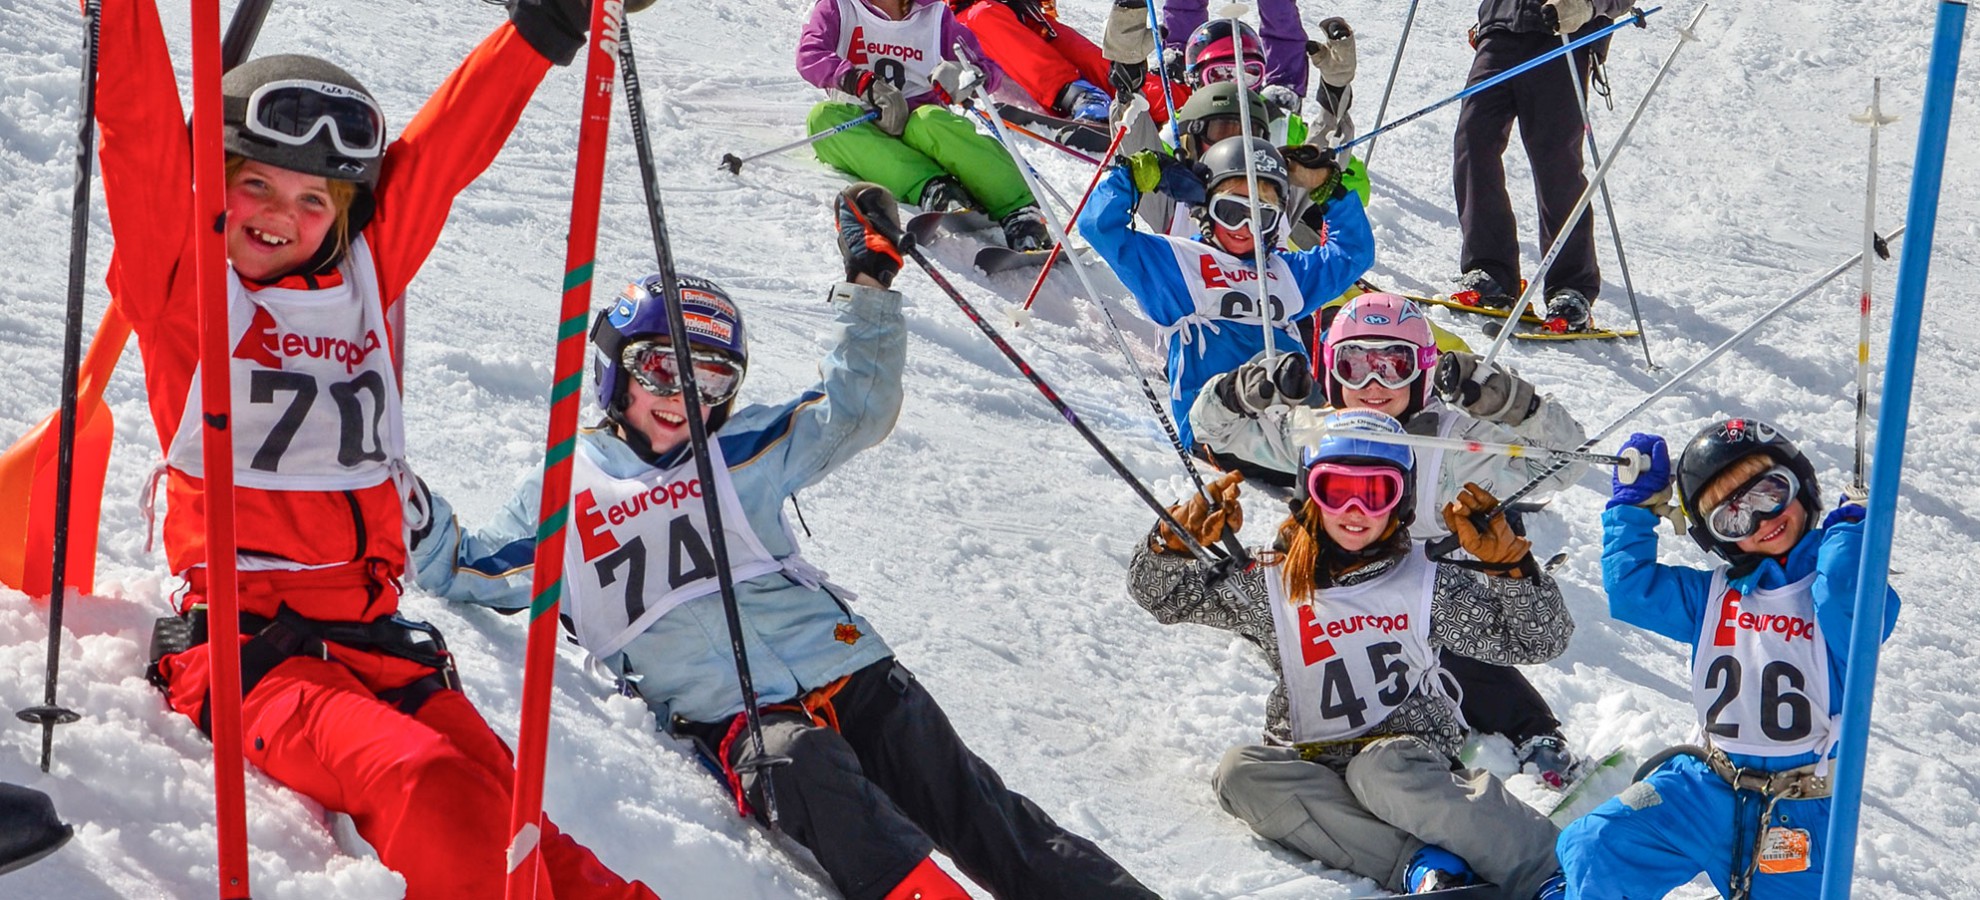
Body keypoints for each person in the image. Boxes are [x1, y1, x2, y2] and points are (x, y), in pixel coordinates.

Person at [411, 185, 1161, 900]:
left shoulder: (744, 447)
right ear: (618, 372)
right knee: (810, 768)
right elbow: (465, 565)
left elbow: (852, 413)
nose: (685, 401)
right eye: (664, 372)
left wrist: (868, 286)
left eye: (711, 380)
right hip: (735, 715)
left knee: (979, 808)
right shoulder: (567, 497)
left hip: (848, 666)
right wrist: (383, 490)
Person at [101, 0, 660, 895]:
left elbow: (443, 154)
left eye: (313, 197)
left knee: (526, 828)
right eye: (258, 185)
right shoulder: (187, 285)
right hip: (255, 657)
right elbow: (137, 126)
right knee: (430, 787)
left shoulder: (368, 273)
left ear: (345, 212)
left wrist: (548, 22)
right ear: (215, 185)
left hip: (381, 642)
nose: (283, 213)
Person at [1128, 409, 1570, 897]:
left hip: (1404, 756)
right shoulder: (1270, 581)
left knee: (1379, 771)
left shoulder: (1425, 584)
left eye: (1377, 491)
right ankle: (1422, 865)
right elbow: (1165, 597)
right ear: (1309, 493)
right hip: (1310, 757)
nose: (1356, 508)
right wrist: (1167, 544)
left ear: (1400, 500)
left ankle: (1548, 868)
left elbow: (1538, 639)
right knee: (1240, 774)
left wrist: (1513, 570)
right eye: (1336, 490)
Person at [1189, 293, 1588, 781]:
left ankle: (1531, 730)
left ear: (1421, 370)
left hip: (1428, 595)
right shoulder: (1316, 432)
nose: (1373, 385)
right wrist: (1243, 390)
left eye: (1392, 365)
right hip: (1339, 599)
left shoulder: (1451, 445)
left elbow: (1565, 462)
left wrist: (1514, 405)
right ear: (1332, 369)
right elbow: (1213, 430)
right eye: (1355, 366)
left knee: (1449, 644)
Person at [1557, 419, 1902, 898]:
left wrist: (1849, 537)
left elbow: (1849, 601)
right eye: (1733, 517)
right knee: (1597, 843)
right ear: (1717, 537)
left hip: (1797, 806)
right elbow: (1631, 590)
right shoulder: (1713, 595)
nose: (1761, 521)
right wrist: (1632, 508)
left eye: (1769, 492)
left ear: (1801, 483)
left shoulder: (1840, 593)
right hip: (1707, 786)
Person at [1077, 135, 1373, 451]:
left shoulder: (1287, 273)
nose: (1245, 226)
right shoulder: (1177, 263)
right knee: (1258, 395)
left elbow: (1354, 254)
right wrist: (1135, 177)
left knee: (1356, 444)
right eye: (1231, 211)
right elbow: (1099, 226)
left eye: (1261, 216)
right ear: (1206, 210)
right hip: (1217, 426)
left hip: (1287, 425)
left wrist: (1328, 188)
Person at [796, 0, 1052, 251]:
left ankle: (1020, 208)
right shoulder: (839, 7)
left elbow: (985, 68)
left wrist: (962, 75)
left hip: (920, 120)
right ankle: (933, 187)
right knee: (822, 121)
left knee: (929, 121)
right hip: (864, 119)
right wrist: (859, 82)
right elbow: (810, 54)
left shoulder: (933, 14)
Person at [1452, 0, 1635, 332]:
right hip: (1500, 29)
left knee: (1556, 163)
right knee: (1473, 139)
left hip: (1564, 33)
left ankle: (1571, 286)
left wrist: (1587, 6)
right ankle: (1492, 271)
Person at [944, 0, 1171, 124]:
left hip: (1022, 12)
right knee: (984, 17)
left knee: (1095, 61)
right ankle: (1076, 95)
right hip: (967, 22)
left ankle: (1178, 105)